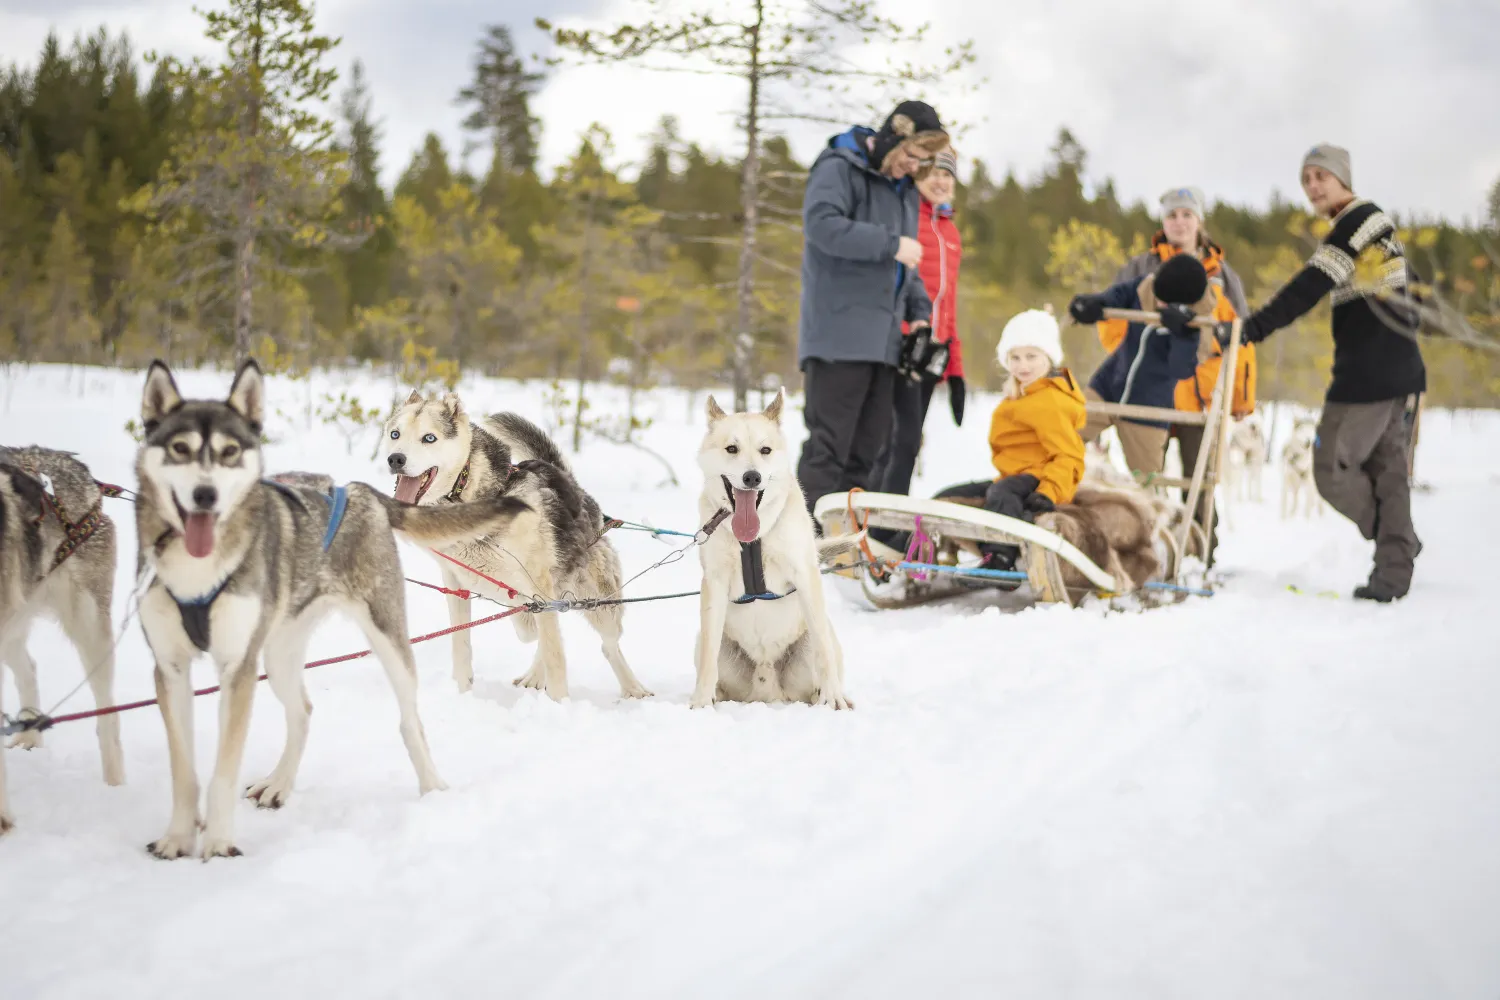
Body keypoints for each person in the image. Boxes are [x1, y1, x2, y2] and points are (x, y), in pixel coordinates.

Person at [1231, 144, 1425, 602]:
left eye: (1322, 176)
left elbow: (1311, 283)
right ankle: (1394, 570)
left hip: (1368, 378)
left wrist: (1253, 328)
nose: (1313, 186)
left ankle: (1397, 544)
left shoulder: (1359, 220)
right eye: (1306, 179)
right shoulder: (1373, 227)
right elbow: (1416, 294)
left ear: (1344, 178)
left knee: (1328, 468)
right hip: (1393, 372)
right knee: (1386, 471)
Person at [795, 100, 948, 519]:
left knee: (868, 451)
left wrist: (918, 312)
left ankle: (841, 544)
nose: (912, 166)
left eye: (922, 160)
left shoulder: (901, 192)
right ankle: (801, 546)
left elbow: (907, 264)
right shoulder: (839, 166)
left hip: (883, 343)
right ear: (892, 138)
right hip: (839, 335)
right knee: (829, 449)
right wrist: (890, 243)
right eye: (910, 155)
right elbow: (822, 225)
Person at [1096, 186, 1257, 560]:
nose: (1179, 222)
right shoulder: (1139, 269)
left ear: (1199, 221)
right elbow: (1115, 325)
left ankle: (1200, 550)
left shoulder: (1222, 276)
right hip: (1148, 387)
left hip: (1200, 394)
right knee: (1146, 475)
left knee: (1198, 477)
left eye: (1187, 215)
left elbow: (1240, 337)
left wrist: (1240, 397)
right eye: (1172, 215)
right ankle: (1148, 543)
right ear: (1163, 222)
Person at [932, 309, 1086, 573]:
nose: (1022, 365)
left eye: (1031, 356)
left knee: (1002, 492)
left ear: (1048, 357)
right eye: (1015, 357)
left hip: (1039, 478)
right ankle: (912, 550)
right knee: (946, 497)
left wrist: (1048, 493)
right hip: (1013, 476)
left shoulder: (1051, 401)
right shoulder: (1018, 397)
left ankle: (1001, 559)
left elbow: (1069, 456)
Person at [1068, 253, 1226, 476]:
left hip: (1148, 408)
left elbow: (1181, 370)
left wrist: (1183, 334)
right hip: (1108, 385)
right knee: (1064, 437)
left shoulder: (1202, 324)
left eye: (1163, 301)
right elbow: (1121, 294)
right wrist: (1097, 304)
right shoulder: (1149, 285)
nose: (1157, 301)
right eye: (1156, 294)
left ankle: (1154, 508)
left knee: (1148, 481)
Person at [870, 146, 967, 498]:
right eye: (932, 173)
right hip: (899, 348)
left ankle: (886, 525)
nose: (940, 181)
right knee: (892, 442)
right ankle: (869, 524)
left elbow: (949, 307)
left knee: (908, 444)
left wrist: (955, 370)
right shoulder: (907, 220)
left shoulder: (951, 234)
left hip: (930, 355)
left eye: (947, 174)